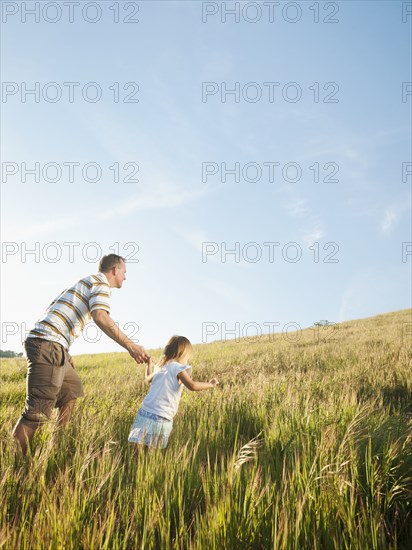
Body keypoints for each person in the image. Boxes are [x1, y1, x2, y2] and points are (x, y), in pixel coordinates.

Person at [12, 254, 150, 456]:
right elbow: (100, 316)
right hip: (48, 344)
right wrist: (130, 346)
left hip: (53, 344)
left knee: (72, 389)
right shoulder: (101, 283)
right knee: (37, 411)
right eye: (124, 272)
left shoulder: (86, 283)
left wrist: (65, 351)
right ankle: (15, 463)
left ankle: (58, 446)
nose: (125, 277)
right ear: (114, 270)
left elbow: (58, 314)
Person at [128, 335, 219, 449]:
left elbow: (147, 379)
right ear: (183, 354)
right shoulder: (178, 368)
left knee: (138, 449)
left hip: (145, 412)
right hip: (161, 416)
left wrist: (149, 365)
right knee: (153, 453)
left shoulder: (160, 367)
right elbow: (192, 385)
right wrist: (211, 384)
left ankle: (134, 465)